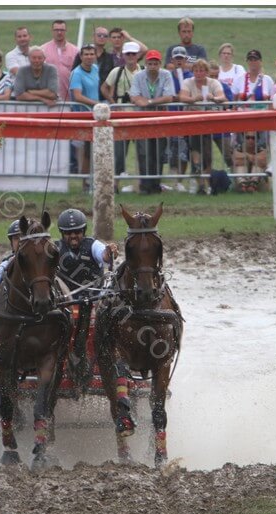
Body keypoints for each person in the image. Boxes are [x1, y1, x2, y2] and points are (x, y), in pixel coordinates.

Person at [55, 208, 118, 382]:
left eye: (77, 232)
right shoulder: (54, 249)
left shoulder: (93, 245)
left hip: (94, 300)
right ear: (62, 233)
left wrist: (109, 252)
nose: (73, 236)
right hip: (64, 303)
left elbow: (104, 255)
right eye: (68, 233)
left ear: (83, 231)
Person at [129, 49, 175, 194]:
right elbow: (134, 97)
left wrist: (148, 102)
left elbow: (169, 97)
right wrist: (144, 101)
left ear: (160, 64)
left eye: (155, 63)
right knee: (143, 152)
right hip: (142, 120)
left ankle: (156, 184)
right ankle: (145, 185)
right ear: (145, 63)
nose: (153, 66)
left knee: (159, 152)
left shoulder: (166, 75)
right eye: (150, 63)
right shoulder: (138, 76)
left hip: (160, 120)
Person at [178, 58, 227, 195]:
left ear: (206, 72)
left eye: (202, 70)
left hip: (208, 123)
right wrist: (193, 99)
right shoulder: (188, 82)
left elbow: (222, 97)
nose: (199, 73)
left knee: (207, 155)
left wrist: (213, 98)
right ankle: (200, 184)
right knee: (195, 151)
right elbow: (182, 97)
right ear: (193, 71)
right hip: (192, 123)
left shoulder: (213, 82)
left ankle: (206, 183)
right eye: (196, 70)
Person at [101, 41, 142, 178]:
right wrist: (113, 103)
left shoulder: (143, 71)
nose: (130, 56)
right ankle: (116, 182)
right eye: (128, 54)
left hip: (139, 116)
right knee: (119, 152)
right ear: (123, 55)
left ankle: (140, 183)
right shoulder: (116, 71)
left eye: (133, 54)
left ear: (137, 55)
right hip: (121, 116)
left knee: (142, 152)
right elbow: (104, 88)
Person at [69, 43, 100, 188]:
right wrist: (96, 103)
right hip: (82, 116)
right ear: (81, 57)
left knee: (94, 150)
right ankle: (85, 183)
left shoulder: (96, 69)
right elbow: (77, 96)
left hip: (95, 115)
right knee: (84, 152)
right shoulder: (76, 74)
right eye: (86, 54)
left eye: (91, 54)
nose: (89, 57)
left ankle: (93, 180)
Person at [167, 46, 194, 188]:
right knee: (172, 151)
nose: (179, 61)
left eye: (181, 59)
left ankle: (180, 180)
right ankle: (173, 181)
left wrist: (180, 97)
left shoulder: (191, 76)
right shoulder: (168, 76)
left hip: (187, 118)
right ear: (172, 60)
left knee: (185, 151)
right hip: (171, 117)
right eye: (176, 58)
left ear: (185, 60)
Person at [41, 19, 79, 102]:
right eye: (56, 30)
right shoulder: (43, 50)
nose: (59, 32)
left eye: (62, 30)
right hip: (49, 98)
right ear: (52, 31)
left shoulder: (75, 51)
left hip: (69, 97)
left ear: (66, 31)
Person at [72, 26, 114, 101]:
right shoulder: (80, 56)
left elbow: (112, 80)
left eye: (105, 36)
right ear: (93, 37)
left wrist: (110, 98)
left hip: (104, 98)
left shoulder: (109, 58)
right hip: (85, 99)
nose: (102, 37)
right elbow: (74, 76)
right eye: (99, 35)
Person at [0, 220, 22, 287]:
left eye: (23, 237)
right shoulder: (4, 266)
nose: (20, 241)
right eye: (16, 238)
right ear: (11, 243)